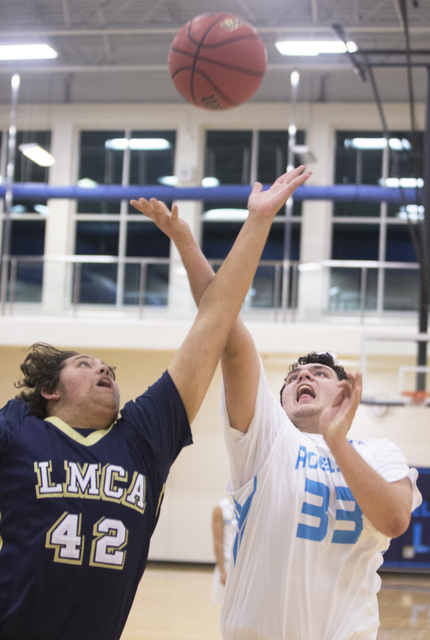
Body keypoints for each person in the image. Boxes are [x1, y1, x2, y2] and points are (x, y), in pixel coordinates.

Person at [0, 166, 311, 640]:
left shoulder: (144, 434)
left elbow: (216, 318)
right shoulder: (19, 427)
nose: (104, 369)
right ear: (50, 391)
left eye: (108, 366)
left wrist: (257, 222)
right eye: (85, 365)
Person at [141, 191, 423, 640]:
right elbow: (227, 332)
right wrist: (188, 243)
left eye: (319, 373)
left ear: (345, 392)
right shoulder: (266, 439)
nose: (302, 377)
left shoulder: (380, 452)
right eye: (293, 376)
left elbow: (393, 521)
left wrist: (337, 444)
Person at [211, 496, 236, 606]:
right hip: (226, 564)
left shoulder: (249, 507)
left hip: (243, 564)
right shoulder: (220, 508)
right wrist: (222, 570)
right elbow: (217, 541)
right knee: (225, 607)